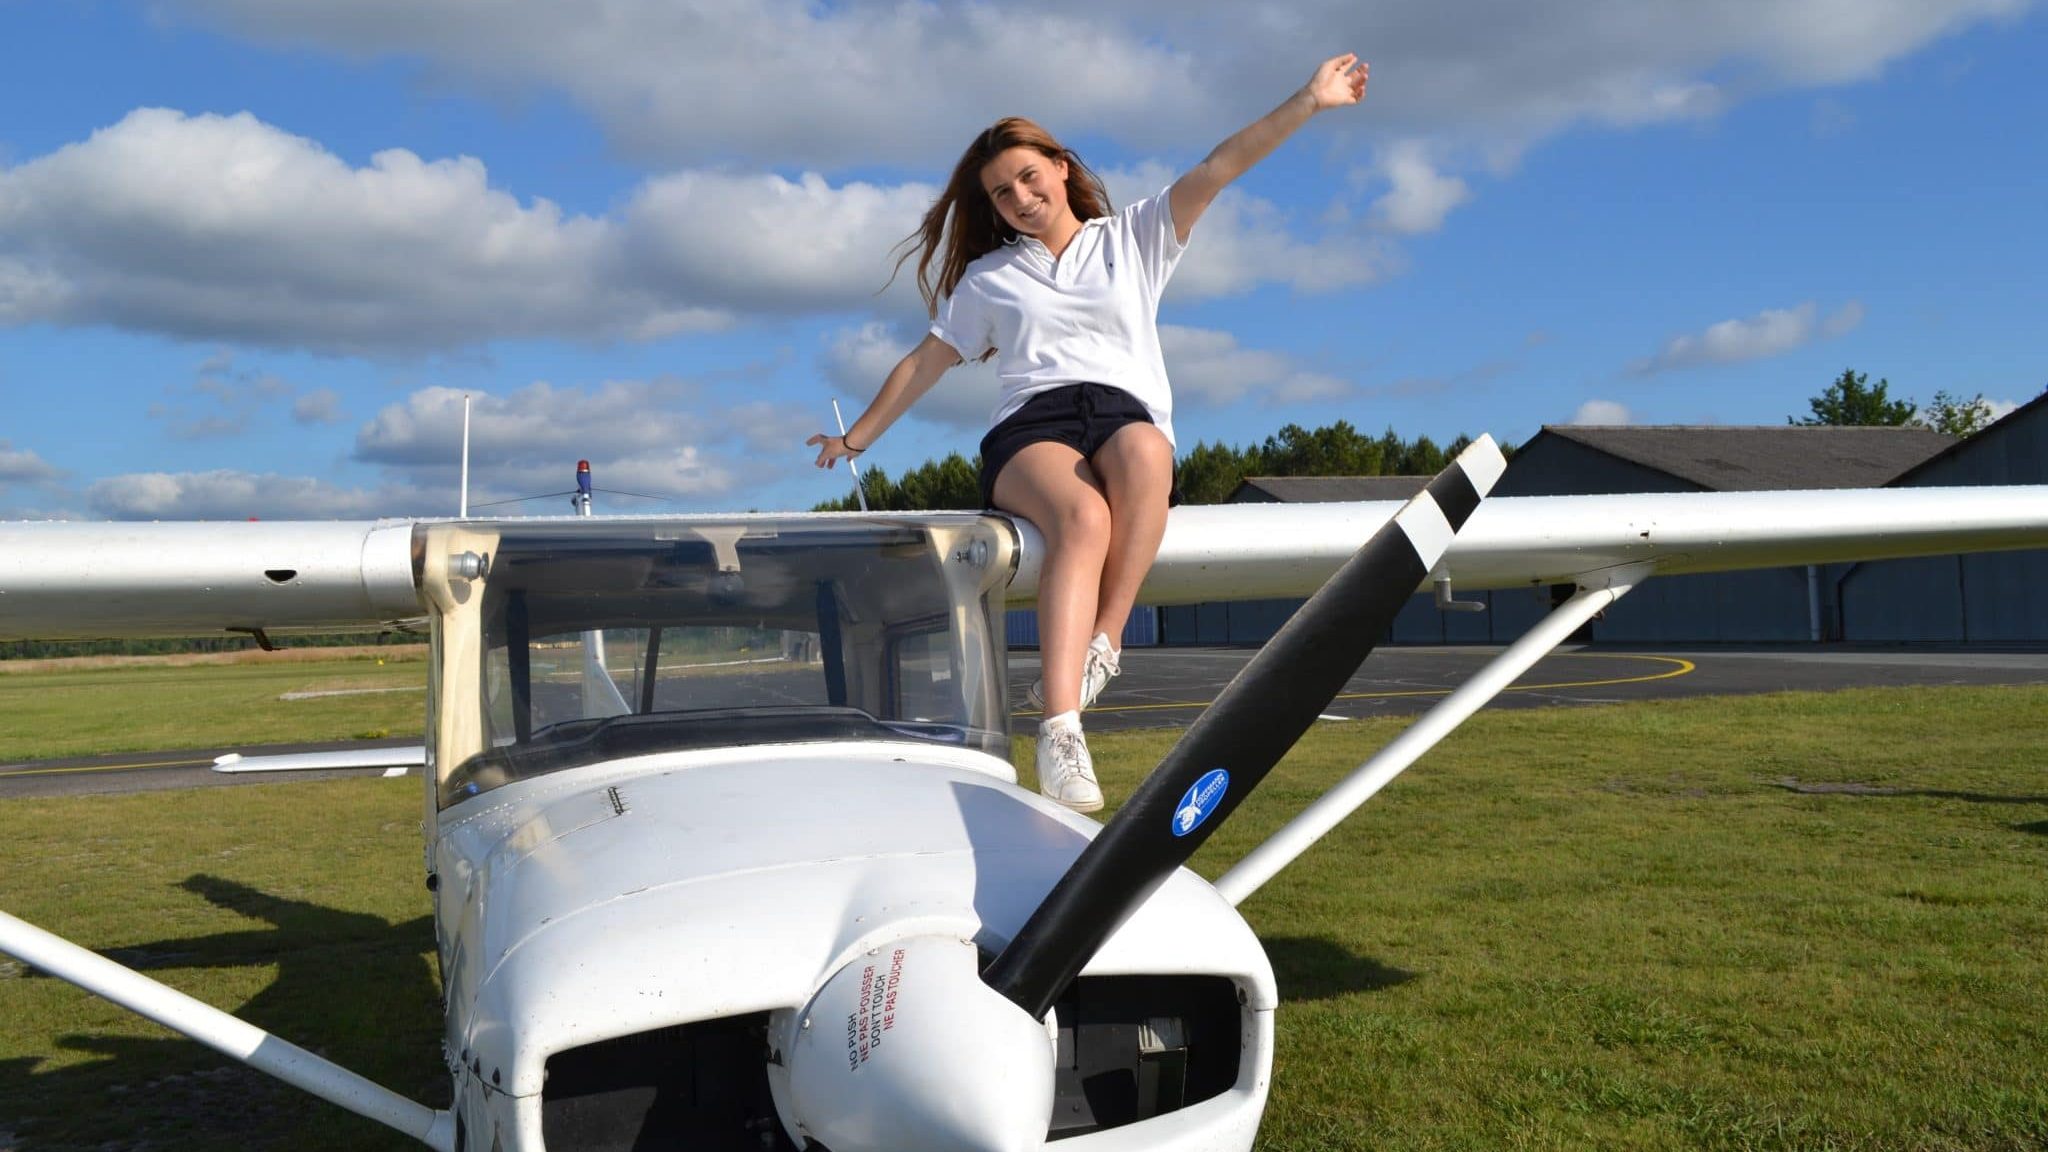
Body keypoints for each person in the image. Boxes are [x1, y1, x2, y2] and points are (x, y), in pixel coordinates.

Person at [810, 53, 1369, 813]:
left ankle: (1104, 645)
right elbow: (925, 361)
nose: (1020, 198)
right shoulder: (989, 280)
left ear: (1061, 167)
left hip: (1124, 414)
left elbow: (1219, 166)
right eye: (1002, 194)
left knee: (1145, 454)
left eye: (1028, 178)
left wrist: (1309, 100)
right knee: (1083, 517)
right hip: (1031, 427)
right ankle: (1060, 729)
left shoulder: (1133, 237)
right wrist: (857, 439)